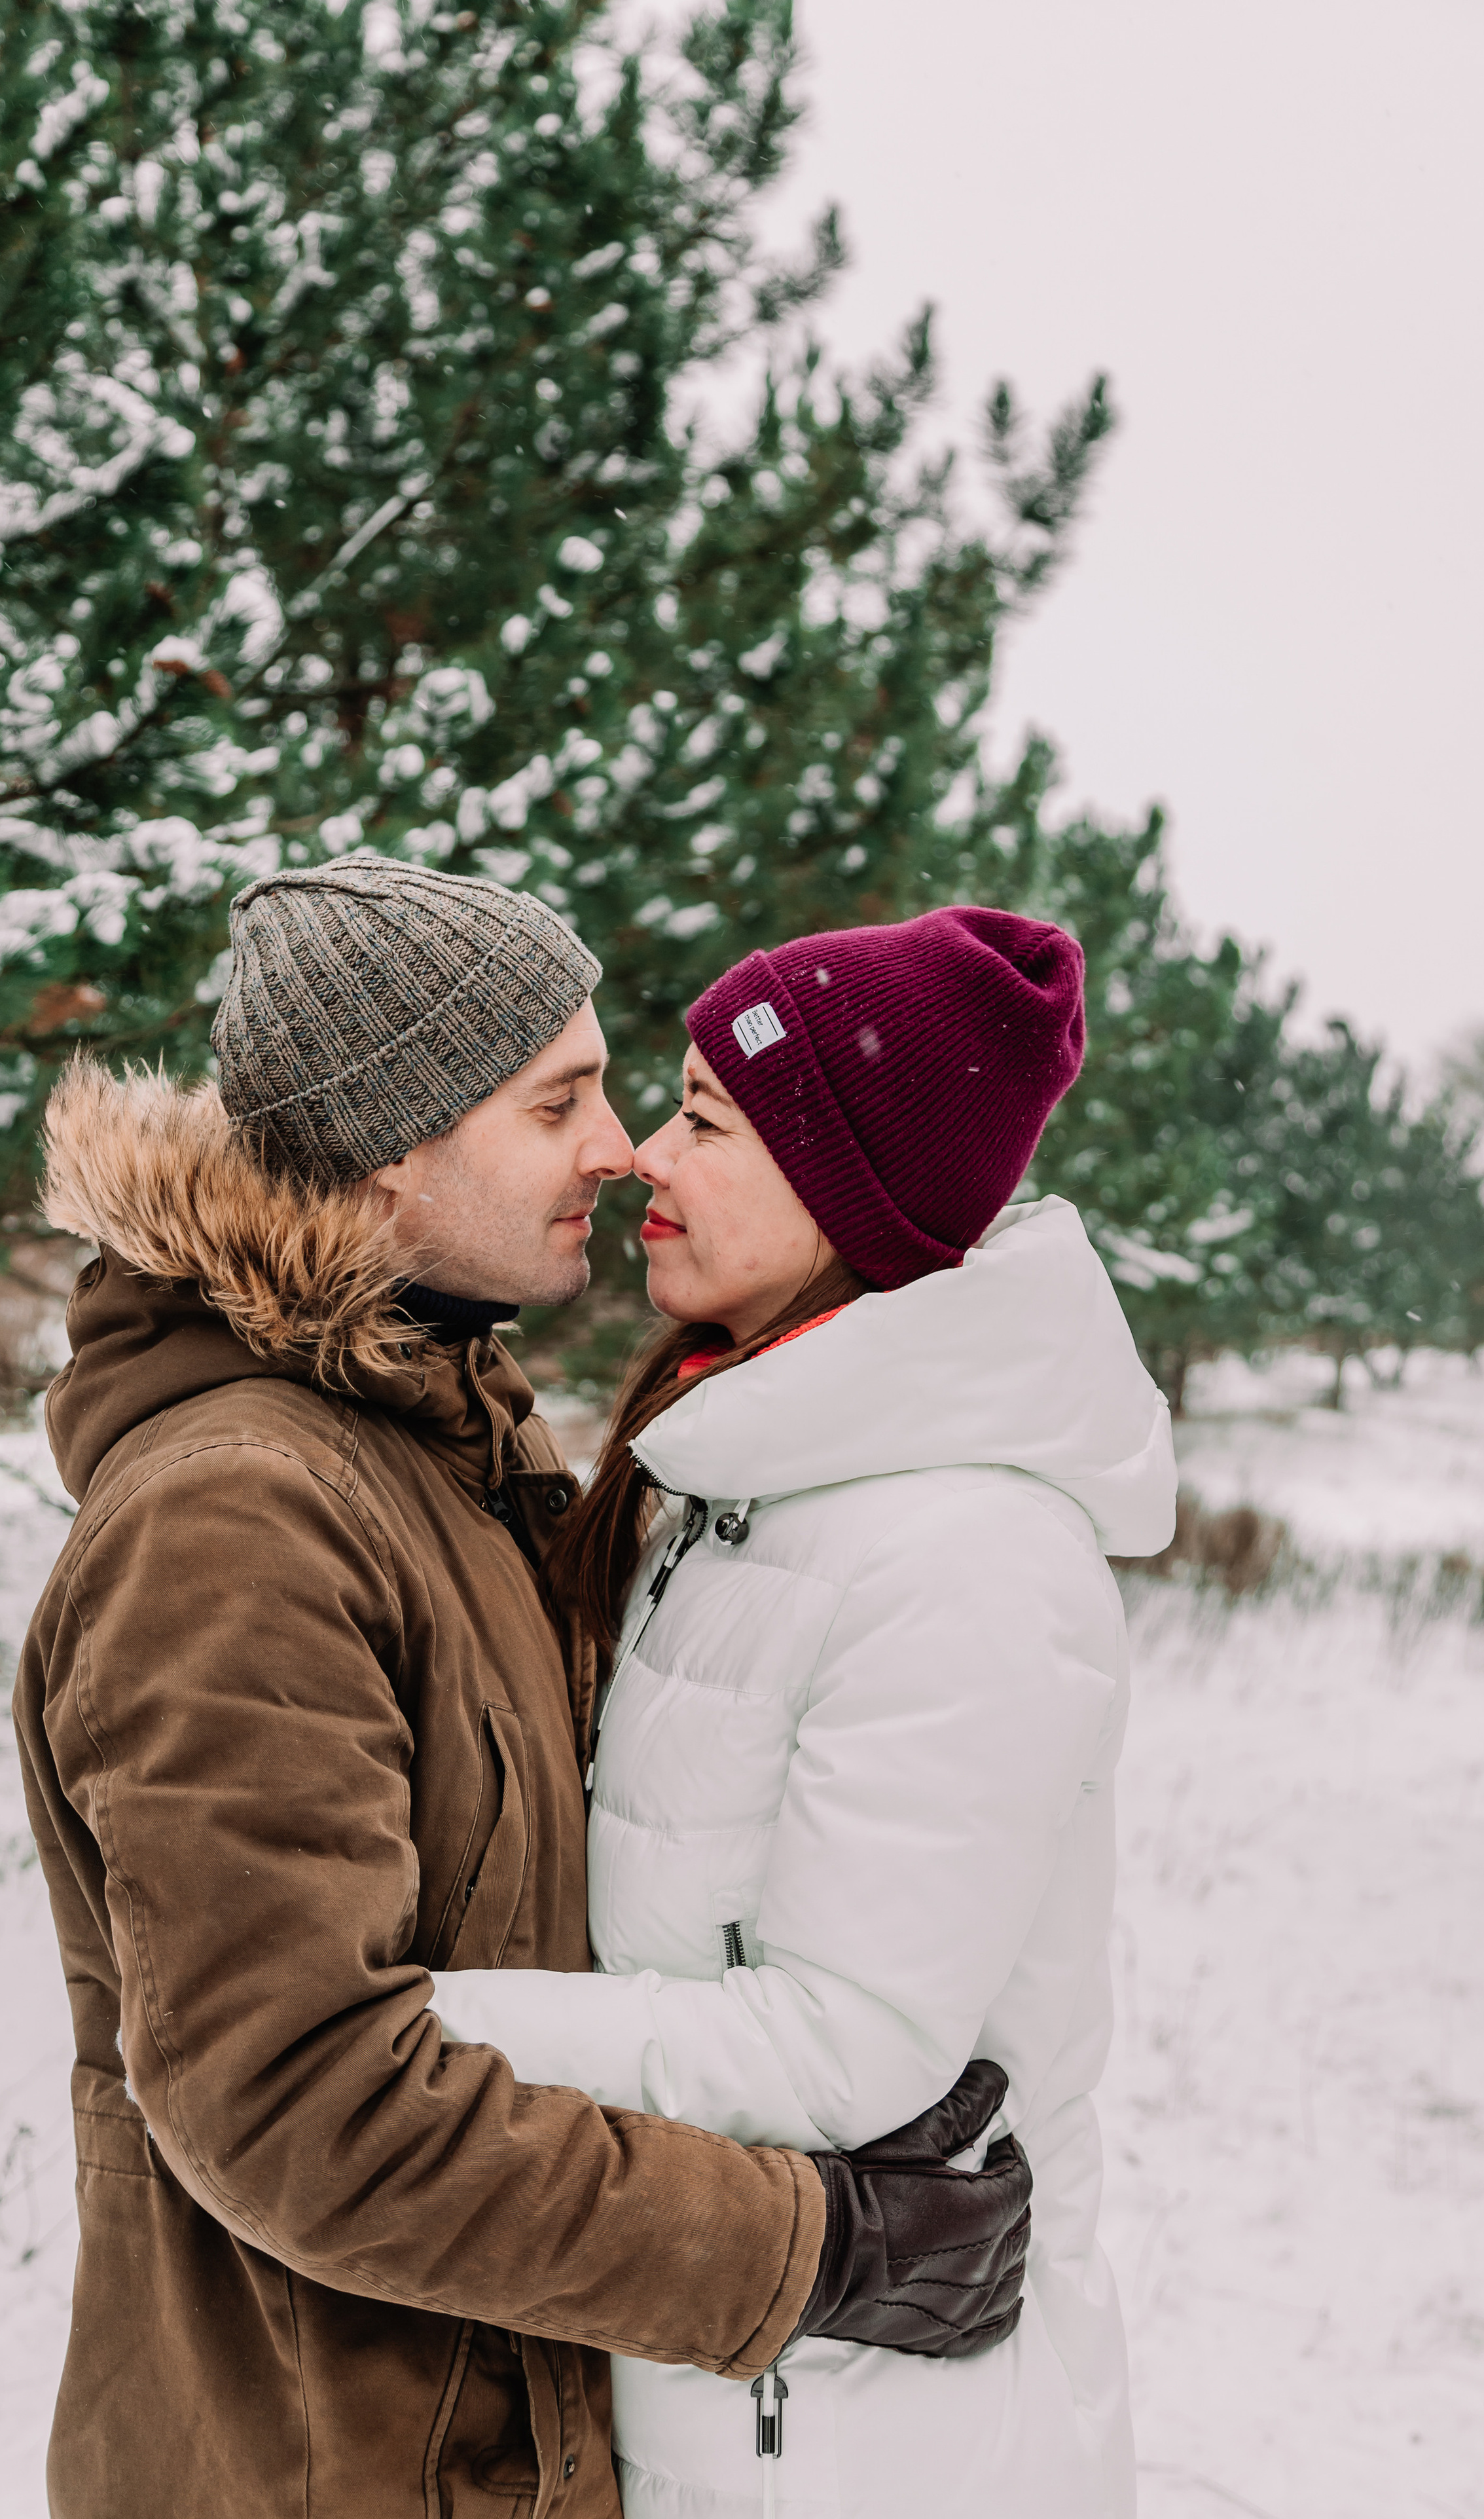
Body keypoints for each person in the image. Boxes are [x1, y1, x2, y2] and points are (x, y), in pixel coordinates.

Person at [12, 857, 1032, 2519]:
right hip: (312, 2466)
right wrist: (803, 2249)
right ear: (392, 1148)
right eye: (557, 1098)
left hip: (484, 2442)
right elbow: (293, 2101)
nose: (620, 1144)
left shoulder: (446, 1445)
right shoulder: (237, 1517)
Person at [428, 906, 1178, 2517]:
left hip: (864, 2443)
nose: (642, 1157)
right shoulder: (741, 1479)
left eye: (705, 1117)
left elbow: (846, 2044)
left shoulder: (964, 1554)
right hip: (728, 2383)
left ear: (846, 1187)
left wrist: (408, 2027)